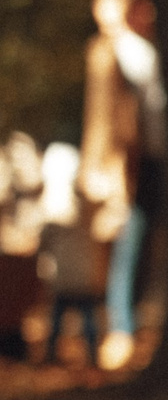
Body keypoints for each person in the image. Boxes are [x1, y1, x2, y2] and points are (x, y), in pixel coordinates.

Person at [81, 0, 163, 372]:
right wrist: (100, 171)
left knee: (154, 246)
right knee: (129, 245)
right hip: (130, 165)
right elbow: (102, 120)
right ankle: (121, 330)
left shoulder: (154, 49)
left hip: (161, 160)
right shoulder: (108, 52)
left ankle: (142, 322)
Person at [35, 139, 109, 364]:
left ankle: (50, 355)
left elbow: (44, 240)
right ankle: (92, 356)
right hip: (82, 272)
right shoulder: (85, 202)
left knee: (59, 315)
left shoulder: (52, 206)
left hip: (63, 274)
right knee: (86, 316)